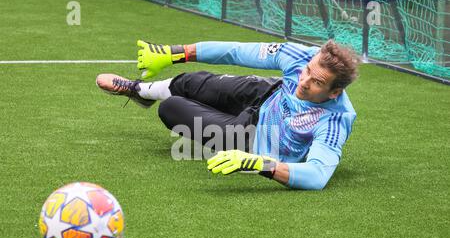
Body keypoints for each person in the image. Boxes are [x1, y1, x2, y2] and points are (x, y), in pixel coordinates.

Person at [96, 39, 360, 190]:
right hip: (267, 94)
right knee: (190, 82)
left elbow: (316, 176)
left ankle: (156, 97)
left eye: (317, 82)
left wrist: (259, 164)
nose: (304, 81)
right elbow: (237, 51)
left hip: (255, 140)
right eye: (307, 72)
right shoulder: (301, 57)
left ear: (334, 92)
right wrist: (175, 54)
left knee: (171, 107)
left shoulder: (336, 120)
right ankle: (139, 90)